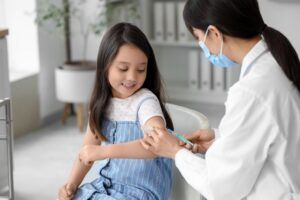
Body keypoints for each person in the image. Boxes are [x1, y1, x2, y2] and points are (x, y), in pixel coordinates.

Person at [141, 0, 300, 199]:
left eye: (199, 38)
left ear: (214, 33)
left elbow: (221, 189)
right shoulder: (273, 62)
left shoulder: (252, 91)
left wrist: (175, 152)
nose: (202, 47)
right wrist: (220, 137)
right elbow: (266, 134)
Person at [58, 22, 174, 200]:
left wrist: (104, 152)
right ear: (105, 66)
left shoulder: (145, 102)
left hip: (140, 193)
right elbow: (86, 152)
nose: (132, 77)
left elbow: (158, 145)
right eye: (123, 68)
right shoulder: (101, 104)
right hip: (108, 187)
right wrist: (71, 185)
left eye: (141, 69)